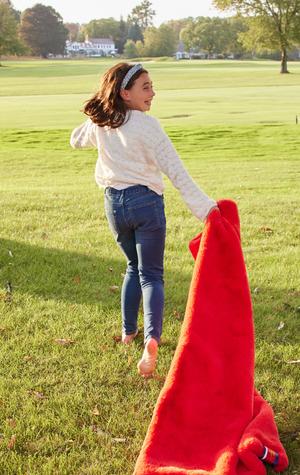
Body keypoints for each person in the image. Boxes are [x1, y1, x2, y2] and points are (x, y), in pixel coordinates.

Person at [70, 62, 218, 377]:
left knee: (131, 269)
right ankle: (152, 336)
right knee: (151, 274)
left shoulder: (103, 123)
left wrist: (101, 114)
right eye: (145, 87)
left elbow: (75, 139)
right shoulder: (149, 127)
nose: (153, 93)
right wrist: (205, 208)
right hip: (146, 203)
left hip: (114, 206)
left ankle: (128, 334)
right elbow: (177, 172)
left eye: (152, 86)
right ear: (125, 93)